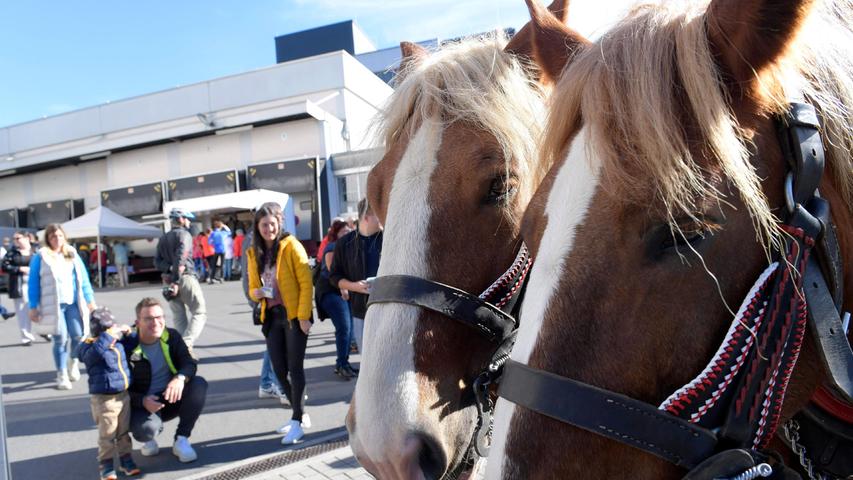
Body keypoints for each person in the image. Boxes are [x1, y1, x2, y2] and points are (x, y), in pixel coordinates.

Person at [246, 202, 313, 445]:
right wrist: (258, 293)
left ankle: (296, 420)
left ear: (279, 224)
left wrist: (304, 316)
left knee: (295, 369)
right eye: (264, 225)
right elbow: (253, 287)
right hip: (272, 316)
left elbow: (306, 283)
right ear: (257, 227)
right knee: (278, 370)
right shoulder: (254, 253)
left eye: (272, 224)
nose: (268, 229)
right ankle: (300, 412)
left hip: (295, 315)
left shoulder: (291, 246)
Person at [122, 297, 206, 463]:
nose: (156, 323)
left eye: (159, 317)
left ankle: (181, 439)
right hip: (142, 404)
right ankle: (149, 439)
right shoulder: (125, 346)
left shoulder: (171, 336)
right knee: (146, 430)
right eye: (148, 319)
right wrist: (142, 401)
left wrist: (180, 378)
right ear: (137, 322)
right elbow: (118, 388)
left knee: (198, 384)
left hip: (170, 397)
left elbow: (189, 362)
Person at [28, 223, 97, 390]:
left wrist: (90, 300)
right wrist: (33, 306)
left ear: (64, 237)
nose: (57, 239)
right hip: (53, 305)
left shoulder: (72, 254)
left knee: (78, 335)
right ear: (48, 239)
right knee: (60, 339)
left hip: (73, 302)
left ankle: (72, 360)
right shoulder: (41, 256)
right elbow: (33, 283)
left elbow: (84, 279)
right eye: (53, 236)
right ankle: (62, 374)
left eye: (59, 235)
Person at [76, 307, 141, 480]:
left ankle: (126, 460)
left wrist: (129, 333)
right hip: (104, 400)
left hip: (123, 395)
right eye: (107, 329)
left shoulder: (117, 343)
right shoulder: (88, 346)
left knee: (123, 432)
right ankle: (106, 465)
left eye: (112, 328)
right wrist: (108, 337)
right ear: (99, 330)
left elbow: (134, 344)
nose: (112, 332)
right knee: (107, 435)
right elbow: (89, 357)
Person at [329, 198, 383, 354]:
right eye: (378, 214)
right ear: (366, 217)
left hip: (389, 309)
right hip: (361, 312)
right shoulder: (345, 243)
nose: (383, 218)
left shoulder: (388, 239)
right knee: (367, 359)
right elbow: (334, 277)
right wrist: (354, 287)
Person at [241, 228, 285, 403]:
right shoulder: (253, 240)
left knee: (272, 346)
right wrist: (255, 300)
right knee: (276, 346)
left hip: (276, 301)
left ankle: (266, 384)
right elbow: (248, 274)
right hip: (266, 302)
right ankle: (279, 386)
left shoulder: (276, 239)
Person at [155, 208, 207, 350]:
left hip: (166, 279)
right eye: (187, 219)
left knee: (179, 315)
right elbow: (181, 258)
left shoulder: (163, 238)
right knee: (199, 311)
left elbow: (157, 262)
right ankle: (186, 344)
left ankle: (182, 352)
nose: (189, 222)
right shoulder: (184, 235)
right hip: (184, 278)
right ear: (182, 219)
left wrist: (170, 269)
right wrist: (176, 280)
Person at [316, 219, 357, 379]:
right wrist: (344, 288)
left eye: (348, 232)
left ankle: (344, 363)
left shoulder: (349, 248)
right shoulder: (332, 247)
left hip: (343, 291)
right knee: (344, 327)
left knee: (349, 328)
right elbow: (333, 273)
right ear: (336, 234)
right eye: (343, 232)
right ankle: (341, 364)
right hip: (330, 290)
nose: (347, 234)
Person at [2, 231, 36, 344]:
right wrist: (19, 269)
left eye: (18, 238)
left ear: (26, 238)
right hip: (20, 284)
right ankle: (26, 336)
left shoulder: (35, 251)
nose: (15, 241)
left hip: (36, 283)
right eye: (14, 239)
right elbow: (5, 266)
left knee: (40, 307)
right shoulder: (11, 253)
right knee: (22, 310)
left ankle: (46, 330)